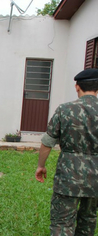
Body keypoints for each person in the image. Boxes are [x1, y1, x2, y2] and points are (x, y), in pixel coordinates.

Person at [35, 68, 98, 235]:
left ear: (77, 87)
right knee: (88, 220)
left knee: (62, 223)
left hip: (68, 177)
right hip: (96, 180)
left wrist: (41, 166)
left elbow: (47, 142)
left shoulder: (65, 109)